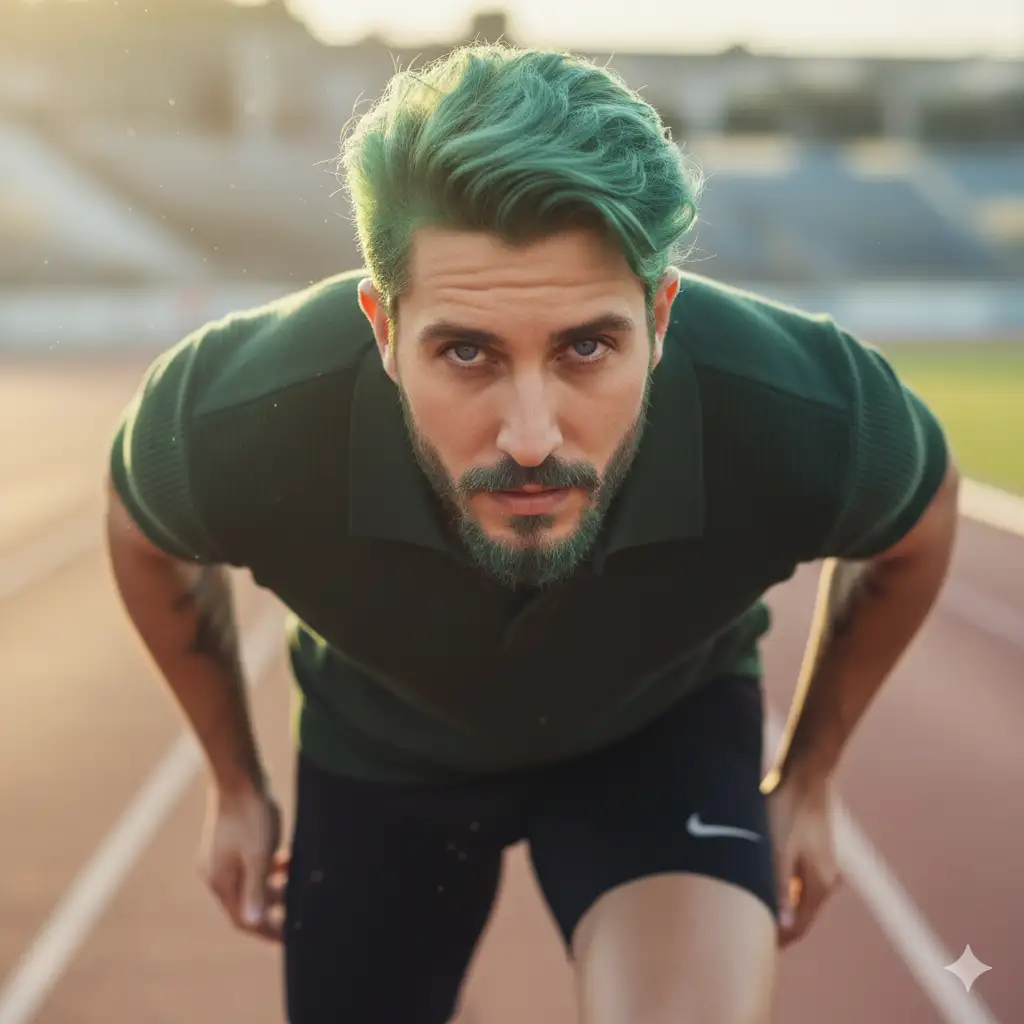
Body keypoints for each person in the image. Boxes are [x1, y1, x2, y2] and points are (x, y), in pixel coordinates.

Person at [104, 43, 959, 1024]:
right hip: (383, 747)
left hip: (657, 735)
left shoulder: (807, 411)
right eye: (465, 351)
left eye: (586, 347)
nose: (529, 436)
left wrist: (810, 773)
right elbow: (142, 536)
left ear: (661, 314)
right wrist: (232, 779)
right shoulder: (235, 416)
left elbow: (918, 523)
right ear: (382, 326)